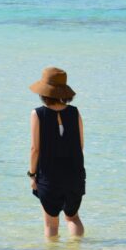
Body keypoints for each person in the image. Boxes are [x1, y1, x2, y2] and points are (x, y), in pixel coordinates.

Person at [28, 67, 86, 239]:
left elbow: (35, 149)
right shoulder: (75, 112)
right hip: (74, 174)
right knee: (73, 218)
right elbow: (80, 146)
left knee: (51, 224)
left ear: (43, 92)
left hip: (49, 176)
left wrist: (32, 175)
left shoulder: (37, 114)